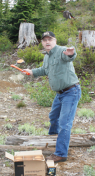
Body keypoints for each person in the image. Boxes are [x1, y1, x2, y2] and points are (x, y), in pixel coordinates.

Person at [23, 31, 81, 163]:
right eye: (44, 40)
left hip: (71, 92)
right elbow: (44, 70)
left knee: (64, 123)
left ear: (54, 40)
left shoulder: (61, 51)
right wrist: (31, 71)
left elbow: (70, 56)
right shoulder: (47, 56)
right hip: (60, 94)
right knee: (53, 117)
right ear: (42, 43)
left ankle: (60, 153)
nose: (47, 42)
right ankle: (53, 139)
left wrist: (71, 53)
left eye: (50, 39)